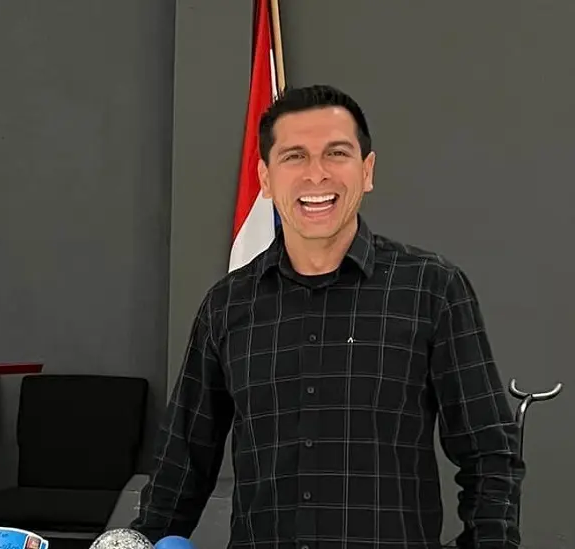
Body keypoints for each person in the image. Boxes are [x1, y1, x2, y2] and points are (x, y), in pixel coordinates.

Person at [131, 84, 524, 549]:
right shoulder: (227, 305)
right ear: (265, 178)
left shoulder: (431, 289)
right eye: (294, 156)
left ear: (367, 170)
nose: (316, 174)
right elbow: (181, 465)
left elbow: (489, 453)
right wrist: (138, 541)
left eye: (336, 153)